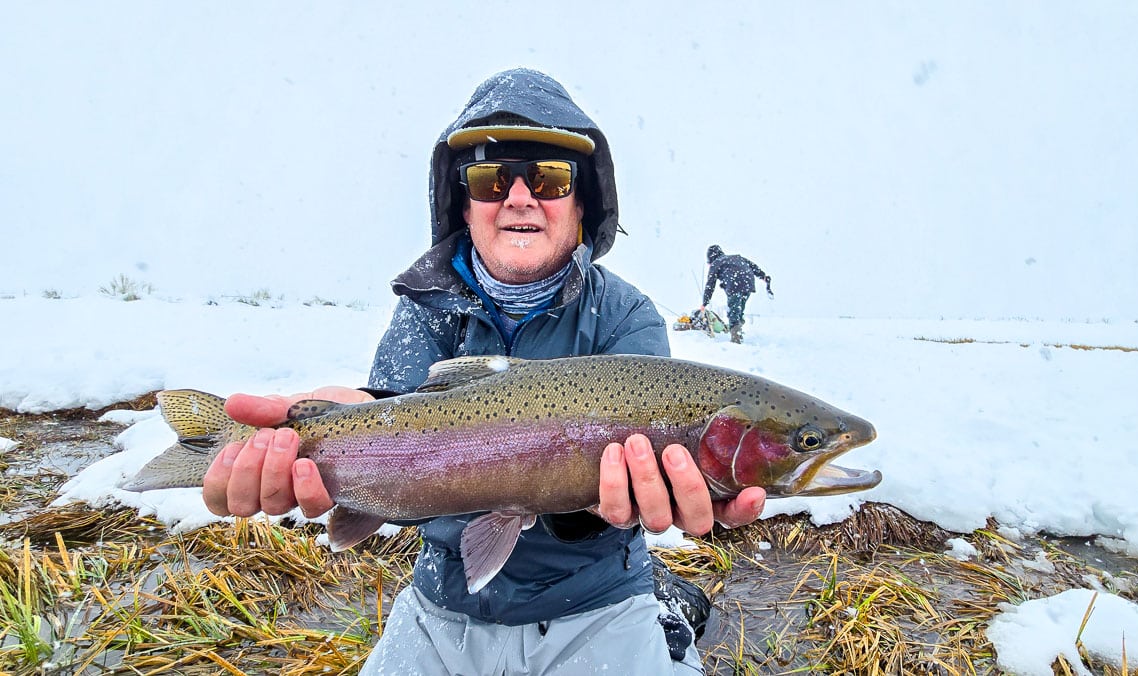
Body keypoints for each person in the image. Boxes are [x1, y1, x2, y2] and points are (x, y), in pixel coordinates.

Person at [199, 68, 765, 675]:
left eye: (548, 178)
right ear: (464, 205)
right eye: (493, 179)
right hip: (442, 605)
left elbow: (640, 468)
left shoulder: (626, 316)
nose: (520, 196)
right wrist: (340, 433)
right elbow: (388, 403)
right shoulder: (425, 305)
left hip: (598, 602)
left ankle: (664, 612)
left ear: (582, 204)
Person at [700, 244, 773, 344]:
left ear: (711, 258)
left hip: (734, 284)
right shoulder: (737, 257)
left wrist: (705, 302)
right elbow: (753, 266)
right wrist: (763, 276)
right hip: (748, 283)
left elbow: (710, 284)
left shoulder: (716, 263)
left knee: (733, 313)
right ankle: (738, 330)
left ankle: (736, 339)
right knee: (738, 309)